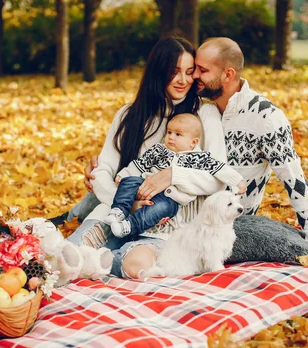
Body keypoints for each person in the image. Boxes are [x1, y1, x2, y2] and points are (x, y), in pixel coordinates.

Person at [80, 37, 308, 279]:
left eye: (199, 70)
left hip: (218, 216)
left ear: (228, 74)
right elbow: (129, 163)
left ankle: (106, 253)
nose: (193, 78)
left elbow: (292, 177)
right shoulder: (193, 109)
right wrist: (111, 178)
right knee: (93, 212)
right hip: (150, 205)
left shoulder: (261, 117)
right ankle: (74, 227)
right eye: (192, 70)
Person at [66, 36, 229, 279]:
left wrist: (174, 175)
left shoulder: (204, 114)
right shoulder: (128, 115)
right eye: (174, 72)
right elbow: (103, 169)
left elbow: (218, 178)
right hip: (118, 212)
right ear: (158, 71)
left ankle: (104, 261)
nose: (183, 80)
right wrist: (123, 203)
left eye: (188, 72)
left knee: (134, 265)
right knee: (67, 256)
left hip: (167, 223)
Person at [105, 113, 246, 238]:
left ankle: (129, 226)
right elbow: (139, 164)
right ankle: (119, 210)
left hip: (169, 198)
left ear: (193, 142)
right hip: (144, 184)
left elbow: (220, 169)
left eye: (178, 134)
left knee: (159, 209)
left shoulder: (199, 158)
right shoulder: (159, 150)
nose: (171, 137)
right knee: (129, 182)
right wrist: (124, 174)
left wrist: (237, 182)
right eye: (169, 132)